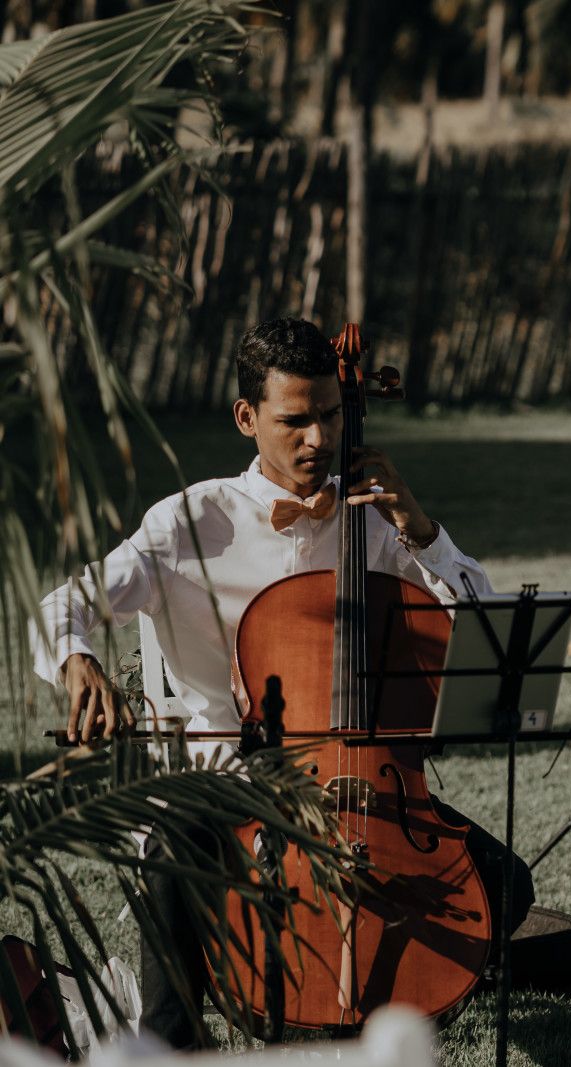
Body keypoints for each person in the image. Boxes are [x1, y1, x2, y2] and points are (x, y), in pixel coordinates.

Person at [31, 317, 533, 1047]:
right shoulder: (190, 523)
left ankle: (390, 972)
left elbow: (487, 629)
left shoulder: (374, 518)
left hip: (362, 783)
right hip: (227, 782)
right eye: (295, 420)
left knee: (506, 887)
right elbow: (62, 604)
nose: (320, 440)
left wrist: (421, 527)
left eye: (331, 415)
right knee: (170, 847)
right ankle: (170, 1039)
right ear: (247, 417)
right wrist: (78, 658)